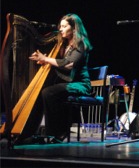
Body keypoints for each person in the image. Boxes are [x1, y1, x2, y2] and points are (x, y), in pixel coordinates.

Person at [28, 13, 93, 143]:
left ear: (74, 28)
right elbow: (60, 63)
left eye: (64, 26)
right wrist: (45, 61)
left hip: (80, 84)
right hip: (68, 82)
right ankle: (44, 131)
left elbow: (68, 65)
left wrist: (46, 59)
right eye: (60, 26)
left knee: (49, 92)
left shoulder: (81, 44)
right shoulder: (64, 44)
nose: (60, 29)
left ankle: (57, 132)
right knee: (47, 91)